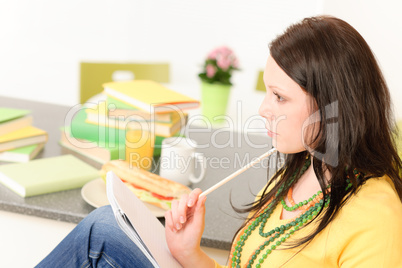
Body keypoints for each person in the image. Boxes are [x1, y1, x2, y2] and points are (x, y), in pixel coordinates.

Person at [36, 15, 402, 267]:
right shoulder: (299, 172)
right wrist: (188, 252)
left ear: (332, 105)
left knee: (96, 237)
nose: (262, 109)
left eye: (279, 97)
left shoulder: (376, 216)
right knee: (104, 226)